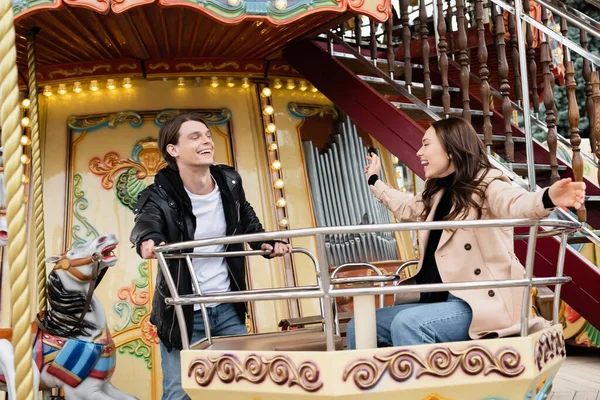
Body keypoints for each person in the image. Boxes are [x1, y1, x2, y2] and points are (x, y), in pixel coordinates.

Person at [346, 117, 585, 349]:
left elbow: (515, 203)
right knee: (361, 325)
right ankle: (374, 388)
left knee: (408, 324)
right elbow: (406, 206)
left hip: (479, 303)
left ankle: (425, 390)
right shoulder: (438, 193)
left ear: (451, 149)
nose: (419, 153)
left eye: (426, 144)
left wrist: (548, 198)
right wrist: (374, 180)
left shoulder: (488, 184)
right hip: (439, 300)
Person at [129, 112, 292, 399]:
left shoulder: (228, 181)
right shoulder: (158, 194)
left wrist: (265, 242)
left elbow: (247, 219)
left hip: (226, 307)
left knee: (245, 385)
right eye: (195, 137)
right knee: (180, 392)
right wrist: (149, 239)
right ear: (173, 150)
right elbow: (147, 222)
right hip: (184, 311)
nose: (206, 141)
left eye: (207, 135)